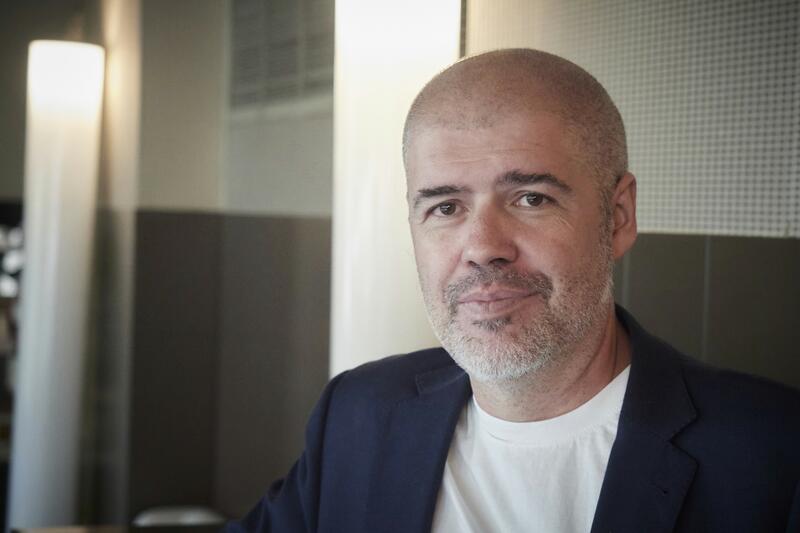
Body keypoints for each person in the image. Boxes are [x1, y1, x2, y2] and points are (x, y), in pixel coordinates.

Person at [228, 49, 800, 533]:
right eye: (445, 207)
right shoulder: (358, 415)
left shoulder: (775, 453)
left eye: (531, 198)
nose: (482, 247)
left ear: (618, 217)